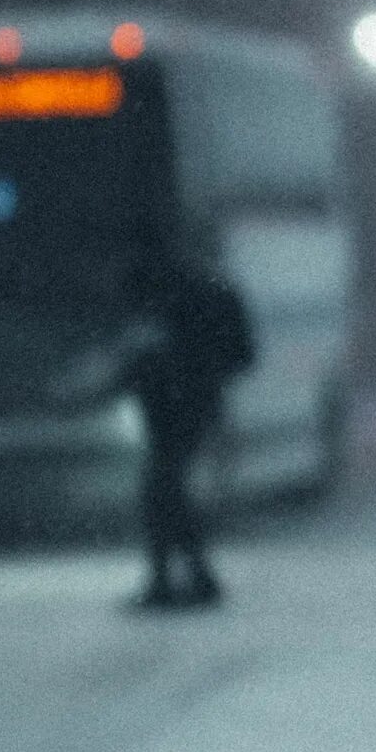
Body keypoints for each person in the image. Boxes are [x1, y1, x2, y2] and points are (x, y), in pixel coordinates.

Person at [120, 249, 254, 608]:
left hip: (173, 407)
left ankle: (175, 579)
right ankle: (189, 577)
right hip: (191, 405)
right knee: (168, 491)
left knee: (162, 492)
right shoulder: (214, 294)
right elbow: (242, 356)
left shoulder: (166, 298)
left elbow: (139, 357)